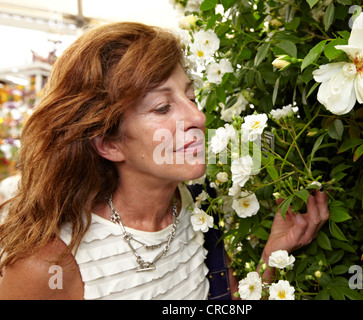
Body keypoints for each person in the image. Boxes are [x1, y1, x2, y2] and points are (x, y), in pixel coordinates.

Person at [0, 22, 329, 300]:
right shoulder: (47, 266)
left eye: (190, 96)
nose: (198, 117)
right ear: (109, 144)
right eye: (161, 107)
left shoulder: (199, 205)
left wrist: (272, 256)